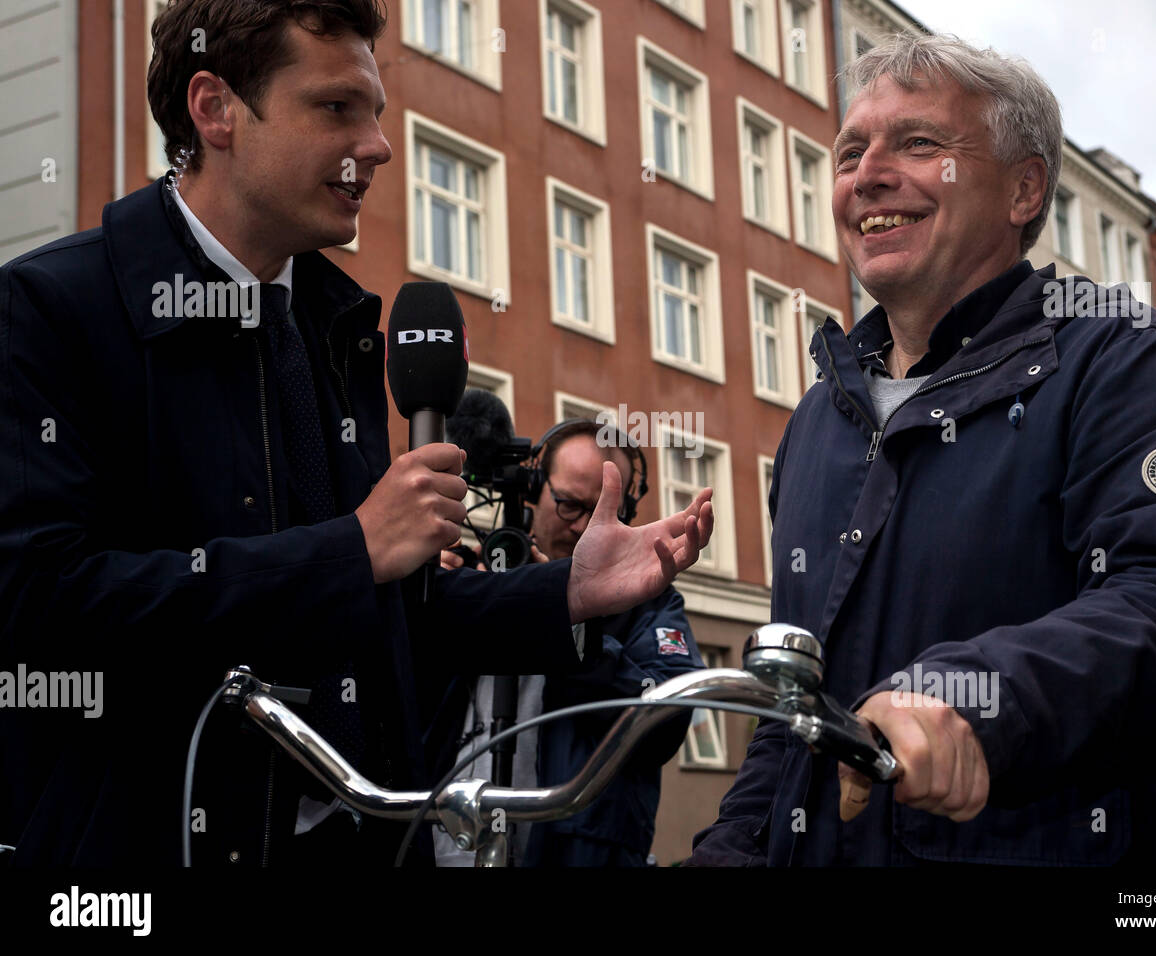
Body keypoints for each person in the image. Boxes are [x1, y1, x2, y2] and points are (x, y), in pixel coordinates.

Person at [0, 0, 711, 867]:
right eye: (338, 108)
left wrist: (563, 594)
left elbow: (395, 614)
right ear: (214, 108)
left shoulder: (334, 326)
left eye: (375, 111)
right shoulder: (49, 311)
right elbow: (36, 606)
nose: (377, 144)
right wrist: (350, 551)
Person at [689, 33, 1156, 866]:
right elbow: (795, 710)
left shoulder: (1124, 358)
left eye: (918, 142)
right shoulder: (817, 417)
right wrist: (731, 849)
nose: (866, 175)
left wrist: (976, 703)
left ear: (1024, 188)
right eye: (851, 151)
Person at [433, 420, 703, 866]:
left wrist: (568, 624)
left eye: (606, 511)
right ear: (533, 492)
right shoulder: (473, 584)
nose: (586, 528)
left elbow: (665, 723)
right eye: (570, 506)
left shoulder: (650, 606)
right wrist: (438, 602)